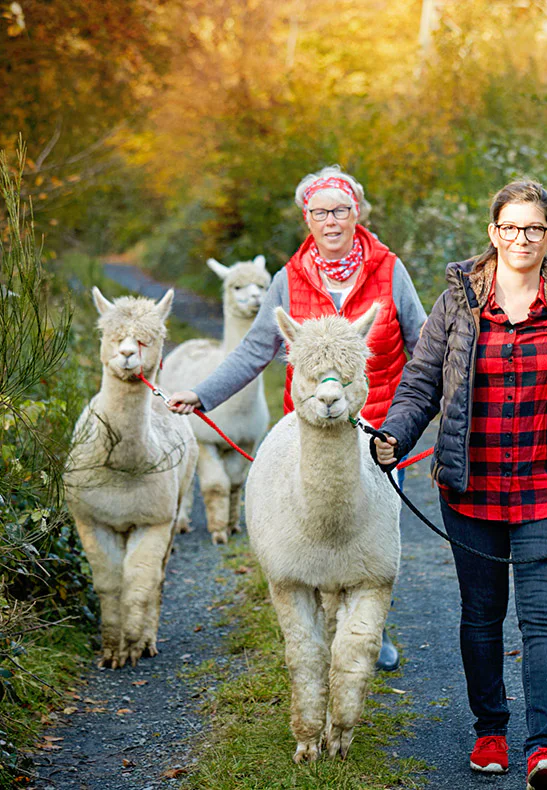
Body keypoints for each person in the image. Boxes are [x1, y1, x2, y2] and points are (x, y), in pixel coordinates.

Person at [372, 181, 547, 790]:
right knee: (481, 617)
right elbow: (421, 384)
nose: (521, 239)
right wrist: (395, 434)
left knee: (544, 621)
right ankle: (490, 730)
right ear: (493, 232)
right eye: (510, 227)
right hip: (471, 492)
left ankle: (543, 749)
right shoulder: (457, 301)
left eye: (533, 228)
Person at [166, 165, 428, 672]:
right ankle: (325, 627)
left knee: (372, 533)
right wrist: (202, 395)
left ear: (357, 213)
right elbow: (254, 351)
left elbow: (424, 344)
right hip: (310, 430)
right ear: (307, 217)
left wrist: (442, 402)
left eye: (341, 210)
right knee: (317, 527)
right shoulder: (287, 280)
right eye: (320, 212)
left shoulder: (390, 271)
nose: (331, 221)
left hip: (381, 431)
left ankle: (369, 625)